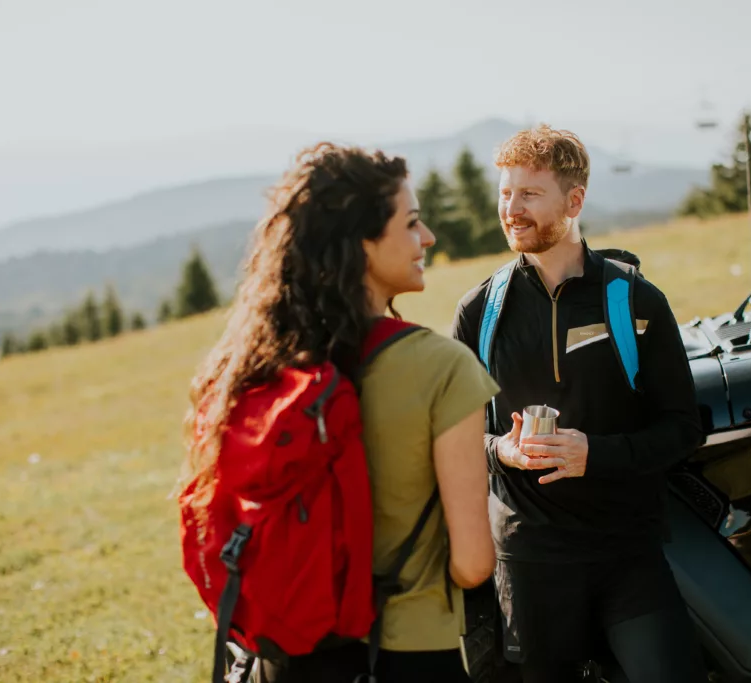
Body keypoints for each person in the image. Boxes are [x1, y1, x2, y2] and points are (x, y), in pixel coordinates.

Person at [182, 142, 499, 683]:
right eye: (412, 223)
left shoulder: (260, 365)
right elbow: (472, 565)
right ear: (362, 243)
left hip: (291, 656)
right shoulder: (440, 367)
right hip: (408, 654)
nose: (428, 238)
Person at [450, 125, 708, 683]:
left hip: (627, 555)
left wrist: (596, 454)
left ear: (575, 200)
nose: (510, 209)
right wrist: (504, 451)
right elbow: (454, 440)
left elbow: (684, 427)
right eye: (505, 192)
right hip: (529, 563)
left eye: (529, 194)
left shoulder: (635, 299)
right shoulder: (479, 312)